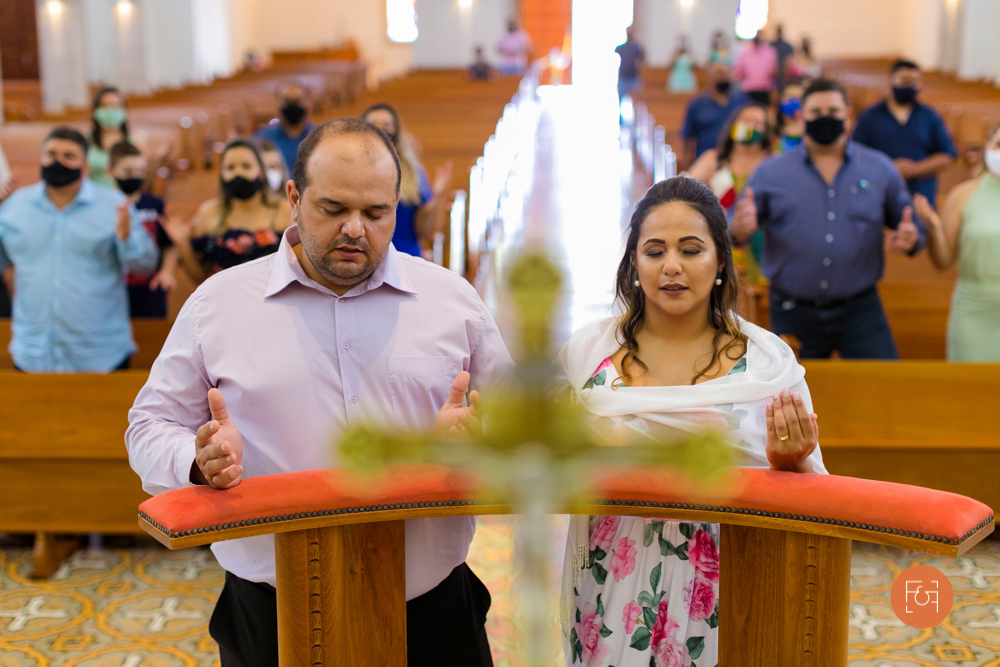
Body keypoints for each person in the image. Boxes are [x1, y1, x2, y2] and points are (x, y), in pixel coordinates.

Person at [125, 117, 512, 666]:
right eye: (333, 210)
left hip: (430, 608)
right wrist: (196, 458)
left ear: (395, 207)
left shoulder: (449, 300)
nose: (356, 229)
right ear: (293, 198)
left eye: (376, 213)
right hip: (272, 611)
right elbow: (146, 427)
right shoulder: (220, 304)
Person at [557, 177, 827, 667]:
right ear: (634, 262)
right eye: (655, 251)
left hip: (728, 577)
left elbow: (820, 493)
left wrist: (790, 466)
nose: (672, 267)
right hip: (613, 578)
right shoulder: (588, 354)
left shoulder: (767, 364)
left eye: (691, 249)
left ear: (721, 260)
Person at [732, 78, 927, 360]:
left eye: (833, 112)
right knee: (791, 399)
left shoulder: (879, 168)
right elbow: (734, 228)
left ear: (848, 116)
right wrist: (737, 229)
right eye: (815, 112)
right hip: (791, 310)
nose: (825, 118)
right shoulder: (771, 173)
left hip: (860, 311)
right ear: (800, 117)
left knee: (884, 389)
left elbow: (911, 226)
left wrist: (912, 237)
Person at [0, 127, 158, 371]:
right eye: (51, 154)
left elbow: (145, 265)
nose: (58, 161)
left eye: (69, 156)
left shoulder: (113, 205)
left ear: (84, 166)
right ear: (41, 159)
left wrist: (127, 240)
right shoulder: (14, 207)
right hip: (33, 353)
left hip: (100, 354)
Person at [912, 122, 1000, 362]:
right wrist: (934, 226)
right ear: (987, 149)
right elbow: (943, 261)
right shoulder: (962, 195)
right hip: (975, 311)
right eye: (999, 144)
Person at [167, 138, 291, 283]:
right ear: (222, 175)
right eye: (230, 168)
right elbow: (200, 277)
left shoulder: (284, 210)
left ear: (261, 172)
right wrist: (182, 243)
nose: (238, 173)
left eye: (246, 166)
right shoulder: (209, 213)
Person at [852, 59, 957, 207]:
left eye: (915, 81)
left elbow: (947, 155)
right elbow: (855, 153)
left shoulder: (930, 116)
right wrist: (889, 166)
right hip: (879, 193)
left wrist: (915, 169)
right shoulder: (870, 116)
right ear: (891, 80)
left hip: (921, 195)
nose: (910, 85)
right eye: (904, 80)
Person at [362, 103, 453, 258]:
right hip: (364, 257)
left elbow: (426, 231)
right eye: (373, 124)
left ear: (396, 130)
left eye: (386, 125)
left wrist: (439, 196)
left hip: (405, 257)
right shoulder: (351, 169)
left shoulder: (412, 172)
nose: (380, 129)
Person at [688, 103, 773, 266]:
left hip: (761, 249)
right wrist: (700, 180)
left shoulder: (772, 163)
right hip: (719, 245)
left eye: (757, 123)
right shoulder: (712, 160)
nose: (750, 126)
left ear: (765, 132)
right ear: (733, 125)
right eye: (745, 120)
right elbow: (683, 195)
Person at [109, 142, 178, 318]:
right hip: (114, 290)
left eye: (140, 171)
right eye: (128, 171)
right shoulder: (104, 206)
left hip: (150, 289)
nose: (135, 176)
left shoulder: (154, 204)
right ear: (110, 171)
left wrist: (166, 273)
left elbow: (169, 244)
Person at [680, 63, 749, 167]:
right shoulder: (697, 104)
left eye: (726, 74)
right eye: (719, 73)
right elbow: (687, 137)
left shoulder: (740, 101)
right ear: (710, 76)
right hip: (705, 162)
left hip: (734, 161)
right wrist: (687, 164)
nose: (723, 78)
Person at [254, 82, 315, 177]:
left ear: (307, 103)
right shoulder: (263, 139)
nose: (292, 106)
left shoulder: (319, 136)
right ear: (278, 104)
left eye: (296, 101)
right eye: (287, 101)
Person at [87, 86, 133, 189]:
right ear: (96, 110)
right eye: (105, 106)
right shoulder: (86, 141)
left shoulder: (135, 141)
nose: (110, 111)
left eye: (115, 106)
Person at [732, 31, 778, 107]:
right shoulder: (745, 53)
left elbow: (773, 72)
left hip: (765, 90)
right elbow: (738, 73)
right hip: (749, 90)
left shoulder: (770, 52)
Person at [616, 27, 646, 101]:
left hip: (633, 76)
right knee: (620, 98)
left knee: (638, 99)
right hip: (623, 76)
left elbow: (642, 57)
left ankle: (637, 112)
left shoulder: (636, 47)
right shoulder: (621, 48)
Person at [776, 80, 805, 153]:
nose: (793, 100)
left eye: (797, 97)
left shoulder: (812, 137)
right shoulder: (769, 132)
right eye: (789, 96)